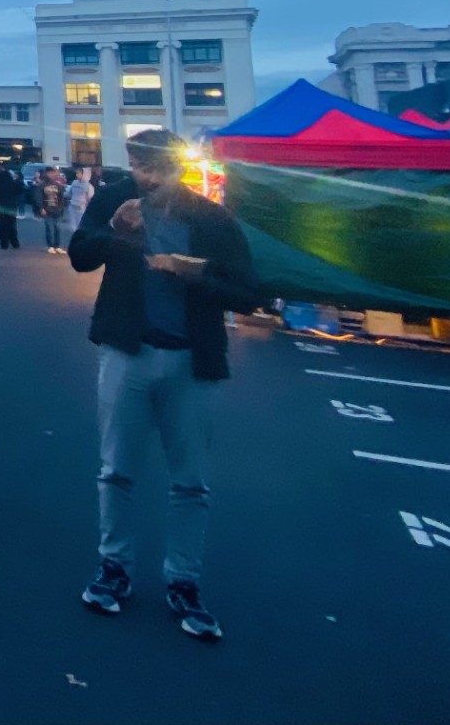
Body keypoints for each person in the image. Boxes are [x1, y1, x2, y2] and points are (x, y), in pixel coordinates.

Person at [70, 129, 261, 641]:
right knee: (116, 469)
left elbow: (248, 292)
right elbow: (81, 255)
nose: (146, 179)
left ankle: (184, 580)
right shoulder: (116, 200)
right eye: (138, 166)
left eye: (156, 169)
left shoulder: (210, 217)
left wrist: (193, 273)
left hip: (191, 360)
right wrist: (116, 233)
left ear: (177, 168)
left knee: (190, 480)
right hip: (126, 350)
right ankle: (114, 568)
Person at [0, 160, 24, 251]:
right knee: (12, 224)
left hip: (0, 204)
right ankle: (14, 242)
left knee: (2, 224)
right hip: (11, 204)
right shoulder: (11, 178)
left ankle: (4, 243)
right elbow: (19, 189)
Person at [39, 164, 69, 253]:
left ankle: (57, 245)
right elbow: (39, 197)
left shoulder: (57, 185)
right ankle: (50, 246)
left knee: (57, 228)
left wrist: (61, 206)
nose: (53, 174)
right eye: (51, 173)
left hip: (57, 209)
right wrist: (41, 208)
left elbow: (61, 197)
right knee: (49, 227)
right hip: (47, 208)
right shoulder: (42, 185)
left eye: (54, 173)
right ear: (47, 173)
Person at [65, 165, 95, 242]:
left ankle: (81, 241)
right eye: (76, 173)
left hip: (81, 208)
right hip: (72, 207)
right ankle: (75, 241)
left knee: (80, 226)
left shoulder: (89, 186)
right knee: (72, 227)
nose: (77, 175)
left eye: (79, 173)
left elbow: (90, 199)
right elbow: (69, 193)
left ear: (84, 174)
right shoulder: (74, 183)